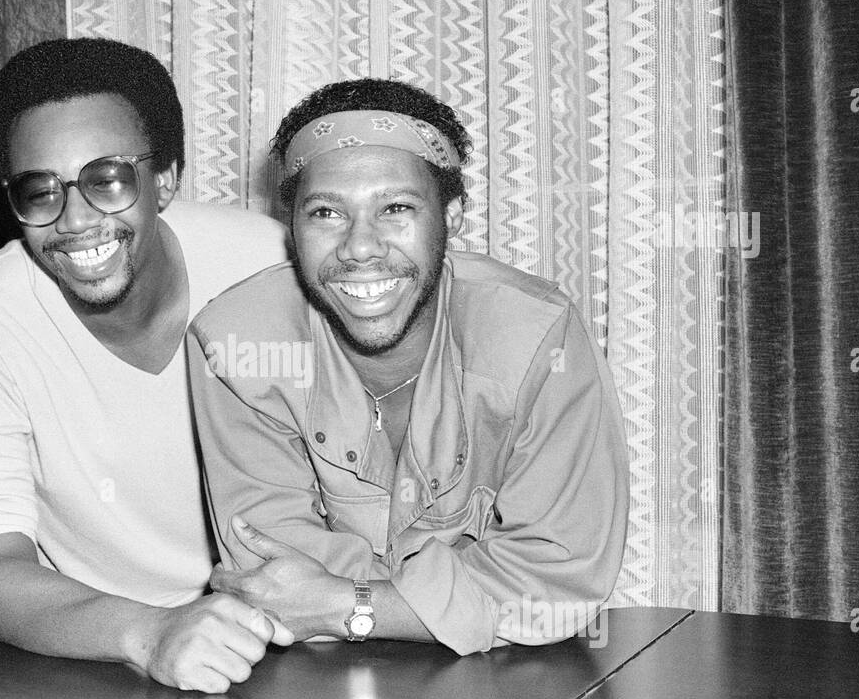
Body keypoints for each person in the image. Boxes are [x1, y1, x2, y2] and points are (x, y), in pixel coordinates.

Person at [186, 78, 630, 654]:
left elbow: (559, 580)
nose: (360, 248)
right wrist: (457, 600)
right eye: (325, 212)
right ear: (291, 228)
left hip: (514, 688)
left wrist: (346, 604)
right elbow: (271, 575)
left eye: (395, 208)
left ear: (452, 215)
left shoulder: (536, 337)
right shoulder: (236, 345)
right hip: (316, 687)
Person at [0, 38, 293, 694]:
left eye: (107, 179)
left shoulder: (277, 267)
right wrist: (150, 633)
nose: (76, 218)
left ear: (166, 178)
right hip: (104, 658)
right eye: (40, 191)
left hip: (305, 635)